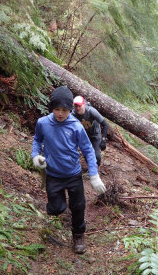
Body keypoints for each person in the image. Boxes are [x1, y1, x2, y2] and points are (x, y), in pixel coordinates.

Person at [31, 86, 106, 254]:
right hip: (53, 175)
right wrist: (35, 155)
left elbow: (88, 150)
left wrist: (94, 175)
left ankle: (78, 235)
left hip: (73, 175)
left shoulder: (76, 126)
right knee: (56, 208)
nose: (60, 113)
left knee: (78, 206)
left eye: (64, 110)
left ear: (70, 110)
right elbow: (37, 140)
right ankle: (59, 207)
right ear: (51, 108)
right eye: (57, 109)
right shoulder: (43, 123)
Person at [72, 96, 108, 166]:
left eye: (79, 106)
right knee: (87, 155)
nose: (78, 108)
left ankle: (96, 170)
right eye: (76, 106)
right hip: (84, 135)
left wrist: (103, 139)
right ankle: (91, 168)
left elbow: (105, 124)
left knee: (97, 156)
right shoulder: (73, 114)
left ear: (84, 105)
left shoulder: (91, 111)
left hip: (95, 134)